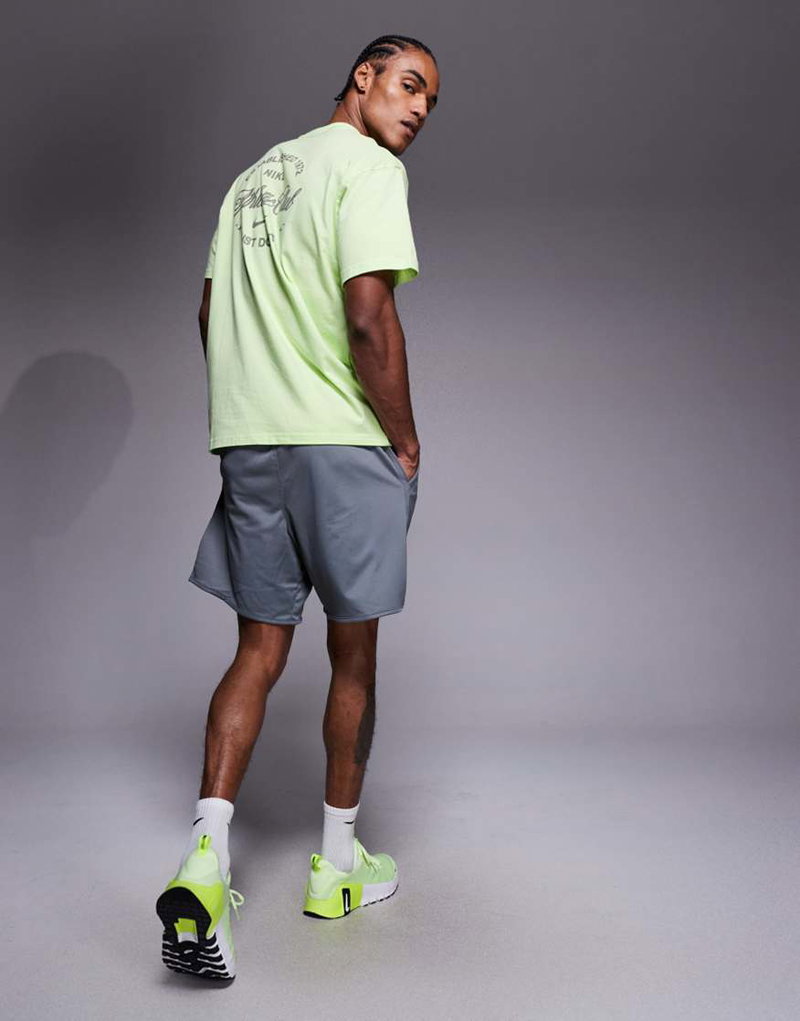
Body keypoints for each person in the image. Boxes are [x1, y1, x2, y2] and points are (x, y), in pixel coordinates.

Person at [155, 35, 440, 980]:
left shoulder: (248, 182)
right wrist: (403, 439)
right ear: (363, 77)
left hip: (250, 441)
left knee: (257, 650)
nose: (418, 109)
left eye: (429, 101)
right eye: (409, 85)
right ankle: (339, 866)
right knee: (352, 651)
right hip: (341, 443)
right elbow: (369, 313)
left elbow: (209, 314)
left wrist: (254, 403)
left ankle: (204, 862)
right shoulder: (368, 167)